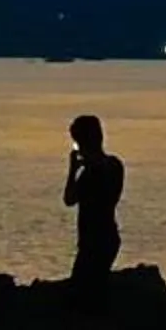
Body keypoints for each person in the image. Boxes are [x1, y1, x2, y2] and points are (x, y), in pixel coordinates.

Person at [62, 113, 124, 297]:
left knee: (83, 292)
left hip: (93, 242)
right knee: (96, 288)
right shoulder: (114, 165)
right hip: (109, 237)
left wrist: (72, 171)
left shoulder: (91, 174)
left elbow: (69, 199)